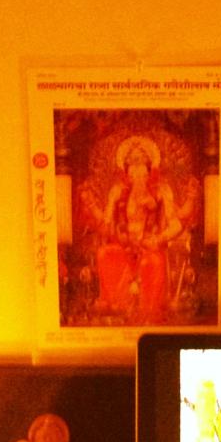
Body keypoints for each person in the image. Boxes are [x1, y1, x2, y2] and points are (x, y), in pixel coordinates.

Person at [85, 135, 185, 324]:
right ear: (126, 171)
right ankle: (118, 307)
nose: (137, 171)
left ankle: (149, 311)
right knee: (105, 253)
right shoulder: (117, 192)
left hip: (150, 245)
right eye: (132, 166)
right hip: (124, 244)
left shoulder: (161, 191)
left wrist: (158, 239)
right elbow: (106, 223)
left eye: (141, 167)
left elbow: (176, 224)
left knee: (152, 261)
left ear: (149, 170)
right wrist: (92, 206)